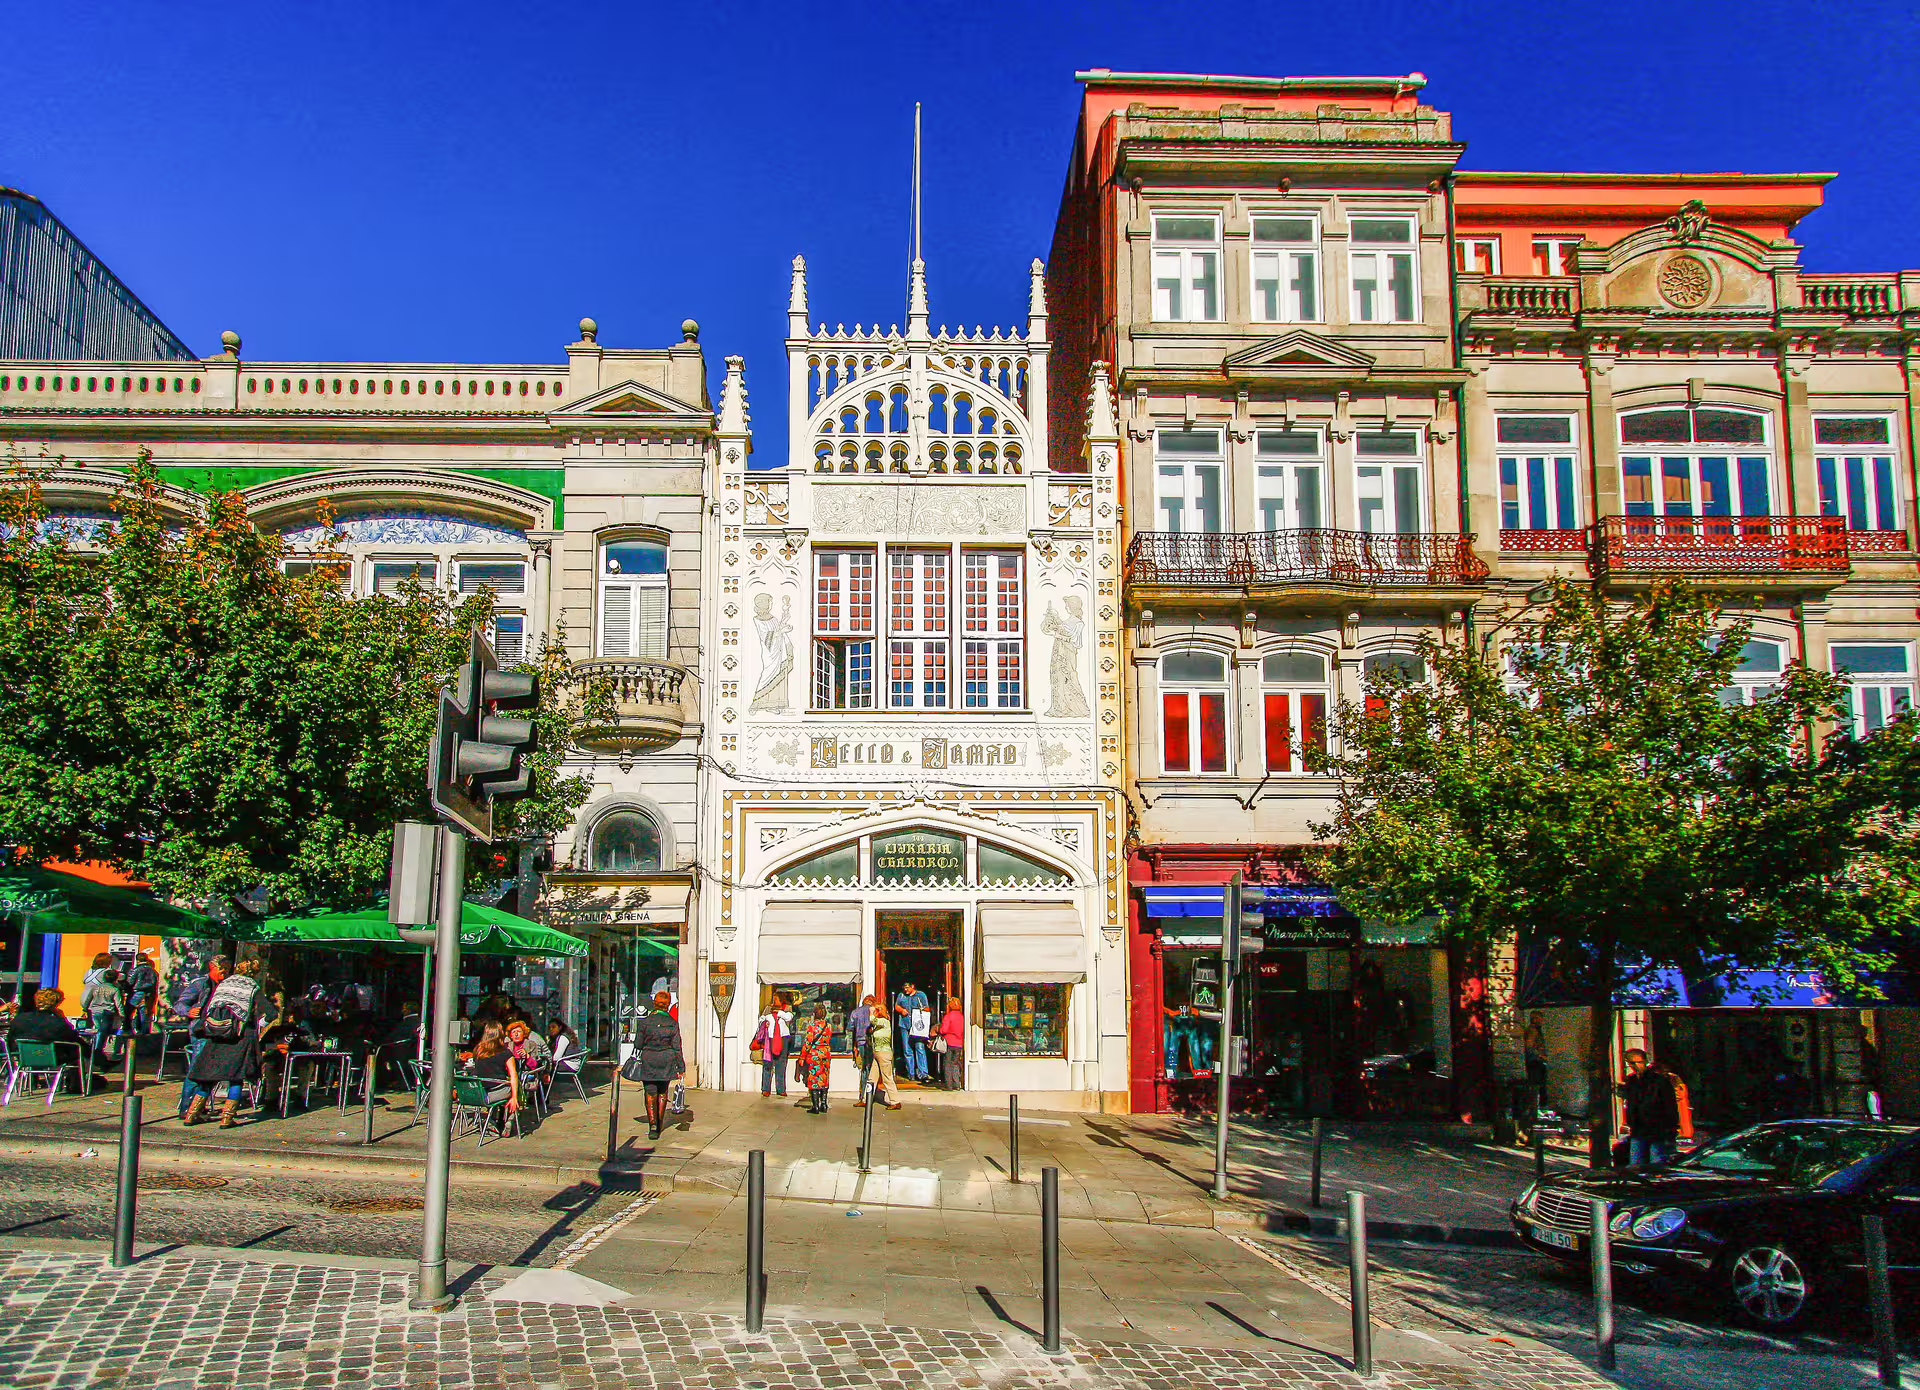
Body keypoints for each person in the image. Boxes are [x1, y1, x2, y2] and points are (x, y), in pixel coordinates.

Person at [184, 958, 262, 1128]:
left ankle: (192, 1114)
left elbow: (210, 1008)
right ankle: (227, 1118)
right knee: (236, 1077)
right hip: (239, 1037)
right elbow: (269, 1011)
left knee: (207, 1077)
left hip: (215, 1034)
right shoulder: (252, 987)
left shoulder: (224, 985)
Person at [629, 990, 685, 1140]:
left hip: (650, 1058)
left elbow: (638, 1044)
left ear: (655, 1003)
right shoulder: (672, 1023)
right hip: (666, 1059)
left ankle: (652, 1125)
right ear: (668, 1005)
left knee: (650, 1091)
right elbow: (677, 1046)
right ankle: (659, 1125)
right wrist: (681, 1067)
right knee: (662, 1090)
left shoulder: (645, 1022)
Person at [1616, 1048, 1680, 1168]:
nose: (1636, 1066)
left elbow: (1670, 1106)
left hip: (1658, 1128)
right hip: (1639, 1129)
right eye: (1632, 1063)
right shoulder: (1632, 1081)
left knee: (1657, 1163)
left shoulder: (1659, 1081)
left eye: (1639, 1062)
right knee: (1636, 1164)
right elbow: (1632, 1104)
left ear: (1645, 1061)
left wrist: (1671, 1129)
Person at [468, 1021, 523, 1130]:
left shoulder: (477, 1051)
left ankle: (492, 1120)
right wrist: (515, 1097)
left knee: (506, 1089)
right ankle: (509, 1119)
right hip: (492, 1095)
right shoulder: (505, 1053)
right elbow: (513, 1075)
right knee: (516, 1088)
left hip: (477, 1094)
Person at [79, 953, 123, 1069]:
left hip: (88, 1003)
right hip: (104, 1006)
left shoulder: (89, 972)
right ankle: (97, 1055)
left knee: (95, 1030)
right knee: (102, 1032)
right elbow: (121, 977)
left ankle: (97, 1057)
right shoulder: (105, 973)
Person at [798, 1003, 834, 1114]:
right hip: (826, 1053)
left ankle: (815, 1106)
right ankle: (824, 1103)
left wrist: (802, 1056)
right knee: (824, 1078)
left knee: (814, 1078)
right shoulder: (828, 1026)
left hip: (815, 1054)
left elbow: (808, 1042)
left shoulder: (812, 1026)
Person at [752, 997, 791, 1098]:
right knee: (768, 1065)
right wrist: (765, 1021)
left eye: (777, 999)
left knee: (781, 1065)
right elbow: (761, 1020)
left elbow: (789, 1017)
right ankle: (766, 1089)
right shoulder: (768, 1011)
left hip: (783, 1038)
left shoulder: (786, 1010)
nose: (775, 1001)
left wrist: (779, 1012)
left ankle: (781, 1089)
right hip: (769, 1039)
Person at [864, 1007, 902, 1110]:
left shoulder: (884, 1021)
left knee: (887, 1078)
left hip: (884, 1053)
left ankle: (895, 1101)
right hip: (877, 1053)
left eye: (877, 1010)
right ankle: (866, 1099)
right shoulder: (878, 1025)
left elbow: (873, 1020)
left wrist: (871, 1011)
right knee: (872, 1078)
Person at [893, 982, 931, 1083]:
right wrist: (901, 1010)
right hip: (905, 1025)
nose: (905, 989)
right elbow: (896, 1006)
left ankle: (923, 1073)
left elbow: (927, 1008)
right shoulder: (901, 995)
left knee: (920, 1048)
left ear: (913, 986)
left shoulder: (921, 995)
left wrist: (920, 1011)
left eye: (907, 987)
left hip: (917, 1026)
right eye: (904, 987)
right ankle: (911, 1073)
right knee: (907, 1049)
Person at [848, 995, 876, 1100]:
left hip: (860, 1042)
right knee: (870, 1068)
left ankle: (863, 1093)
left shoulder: (855, 1012)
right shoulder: (874, 1011)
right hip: (871, 1042)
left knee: (864, 1069)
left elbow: (850, 1028)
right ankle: (867, 1094)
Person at [1522, 1012, 1549, 1115]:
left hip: (1536, 1061)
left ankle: (1536, 1108)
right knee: (1536, 1085)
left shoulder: (1535, 1030)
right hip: (1535, 1062)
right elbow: (1529, 1046)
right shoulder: (1533, 1030)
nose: (1542, 1021)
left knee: (1537, 1085)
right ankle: (1534, 1109)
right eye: (1540, 1019)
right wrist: (1540, 1056)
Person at [936, 998, 965, 1090]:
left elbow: (944, 1030)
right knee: (955, 1063)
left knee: (948, 1064)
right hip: (959, 1044)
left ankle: (949, 1085)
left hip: (949, 1043)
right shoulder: (962, 1017)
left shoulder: (948, 1016)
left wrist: (938, 1030)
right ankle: (957, 1084)